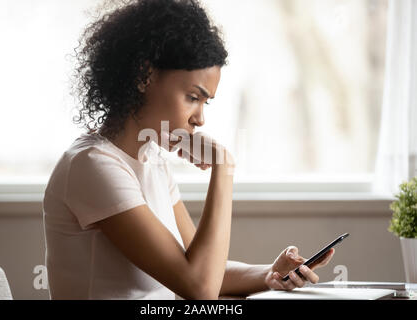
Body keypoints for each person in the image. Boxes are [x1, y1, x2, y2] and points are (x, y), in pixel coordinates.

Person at [43, 0, 334, 300]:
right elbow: (199, 288)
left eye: (205, 102)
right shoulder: (92, 166)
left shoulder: (151, 160)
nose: (200, 119)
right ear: (144, 76)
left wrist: (270, 274)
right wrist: (223, 165)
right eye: (193, 97)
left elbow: (200, 269)